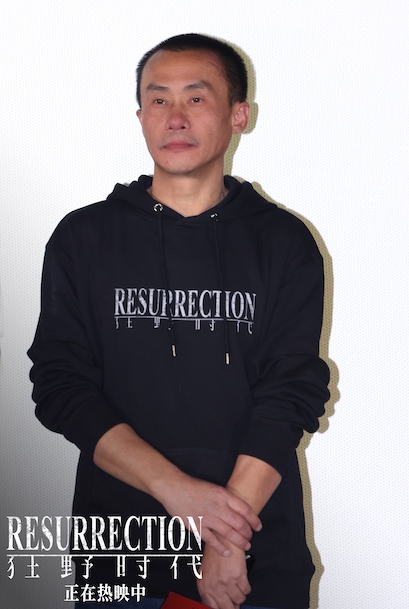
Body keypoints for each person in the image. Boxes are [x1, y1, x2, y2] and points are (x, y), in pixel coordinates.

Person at [28, 33, 330, 609]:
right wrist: (180, 494)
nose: (175, 116)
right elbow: (61, 387)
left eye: (196, 97)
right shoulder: (84, 238)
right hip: (122, 556)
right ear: (140, 115)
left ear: (238, 115)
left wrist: (224, 537)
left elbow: (291, 393)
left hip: (252, 555)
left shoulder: (284, 242)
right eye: (158, 99)